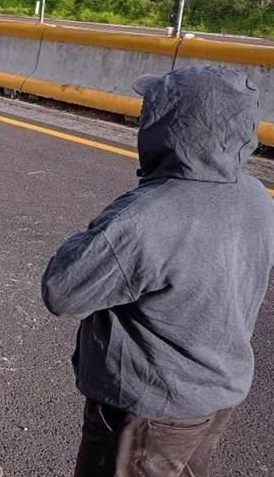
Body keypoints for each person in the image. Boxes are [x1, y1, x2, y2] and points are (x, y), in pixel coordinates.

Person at [42, 65, 274, 477]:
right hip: (215, 393)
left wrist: (101, 229)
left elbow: (63, 290)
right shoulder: (255, 195)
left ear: (169, 126)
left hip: (150, 406)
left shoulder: (148, 217)